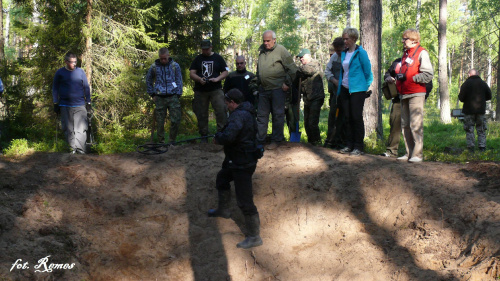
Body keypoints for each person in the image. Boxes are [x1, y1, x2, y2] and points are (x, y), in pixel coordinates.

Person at [209, 89, 263, 249]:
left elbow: (228, 136)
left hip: (242, 163)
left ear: (232, 102)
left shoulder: (239, 115)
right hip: (236, 160)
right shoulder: (245, 111)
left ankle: (254, 237)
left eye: (227, 103)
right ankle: (223, 210)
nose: (226, 106)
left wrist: (217, 139)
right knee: (222, 179)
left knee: (245, 201)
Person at [252, 30, 297, 150]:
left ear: (274, 40)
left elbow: (292, 69)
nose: (266, 43)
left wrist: (287, 83)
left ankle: (276, 140)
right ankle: (260, 141)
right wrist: (257, 83)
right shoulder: (261, 52)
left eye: (268, 41)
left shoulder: (281, 50)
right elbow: (259, 70)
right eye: (264, 41)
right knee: (261, 116)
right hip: (264, 90)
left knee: (278, 115)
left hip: (278, 89)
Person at [396, 29, 434, 163]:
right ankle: (409, 153)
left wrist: (413, 78)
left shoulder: (421, 52)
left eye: (405, 39)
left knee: (415, 124)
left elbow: (428, 74)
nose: (403, 41)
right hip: (404, 93)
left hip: (416, 93)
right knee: (405, 124)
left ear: (413, 40)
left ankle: (417, 155)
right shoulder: (405, 54)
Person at [338, 27, 373, 156]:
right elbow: (343, 72)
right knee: (347, 117)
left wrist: (364, 87)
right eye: (343, 39)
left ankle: (358, 146)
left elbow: (368, 73)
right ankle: (349, 144)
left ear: (353, 38)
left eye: (346, 39)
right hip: (345, 89)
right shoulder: (344, 53)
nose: (345, 41)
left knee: (356, 117)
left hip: (358, 90)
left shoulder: (361, 53)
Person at [190, 39, 229, 142]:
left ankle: (221, 134)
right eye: (203, 49)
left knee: (221, 111)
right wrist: (199, 79)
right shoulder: (198, 59)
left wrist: (217, 79)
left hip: (216, 89)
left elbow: (226, 71)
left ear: (211, 47)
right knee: (201, 113)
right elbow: (192, 73)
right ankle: (204, 136)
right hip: (201, 90)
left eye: (207, 49)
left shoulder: (218, 58)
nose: (205, 51)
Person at [52, 52, 91, 154]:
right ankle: (72, 149)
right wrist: (55, 103)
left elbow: (86, 87)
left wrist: (89, 102)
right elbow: (55, 88)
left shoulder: (80, 72)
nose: (74, 64)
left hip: (80, 104)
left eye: (75, 62)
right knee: (68, 128)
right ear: (66, 62)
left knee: (81, 129)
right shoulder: (60, 73)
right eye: (72, 62)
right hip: (65, 105)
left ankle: (80, 150)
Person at [146, 47, 183, 144]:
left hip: (173, 96)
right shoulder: (154, 67)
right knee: (160, 122)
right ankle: (161, 142)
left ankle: (172, 141)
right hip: (159, 97)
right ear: (159, 57)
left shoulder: (175, 66)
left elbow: (179, 80)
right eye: (161, 58)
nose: (163, 60)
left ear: (168, 56)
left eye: (164, 58)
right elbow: (148, 80)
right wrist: (152, 94)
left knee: (175, 120)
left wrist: (178, 93)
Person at [294, 48, 325, 146]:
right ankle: (311, 143)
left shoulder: (314, 64)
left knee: (312, 122)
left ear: (308, 56)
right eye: (299, 58)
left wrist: (296, 69)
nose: (301, 59)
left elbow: (309, 71)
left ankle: (317, 142)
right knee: (306, 123)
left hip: (316, 97)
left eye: (302, 57)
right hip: (307, 99)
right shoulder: (301, 70)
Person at [458, 69, 492, 153]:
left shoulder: (465, 84)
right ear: (477, 74)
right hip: (481, 111)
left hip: (468, 111)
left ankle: (471, 147)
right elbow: (489, 96)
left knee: (469, 129)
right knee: (481, 129)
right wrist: (482, 99)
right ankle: (482, 147)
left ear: (469, 75)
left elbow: (461, 98)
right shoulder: (483, 83)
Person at [324, 37, 346, 149]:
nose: (338, 52)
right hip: (335, 93)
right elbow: (327, 71)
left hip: (347, 93)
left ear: (344, 47)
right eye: (336, 50)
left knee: (345, 117)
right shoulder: (334, 57)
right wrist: (334, 80)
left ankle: (343, 141)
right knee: (333, 116)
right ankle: (331, 140)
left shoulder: (349, 56)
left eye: (339, 50)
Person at [381, 58, 402, 157]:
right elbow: (387, 73)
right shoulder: (397, 62)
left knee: (413, 126)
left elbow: (428, 82)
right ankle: (392, 151)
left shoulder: (418, 59)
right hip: (398, 99)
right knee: (394, 123)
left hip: (413, 98)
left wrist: (424, 96)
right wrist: (388, 78)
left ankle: (414, 153)